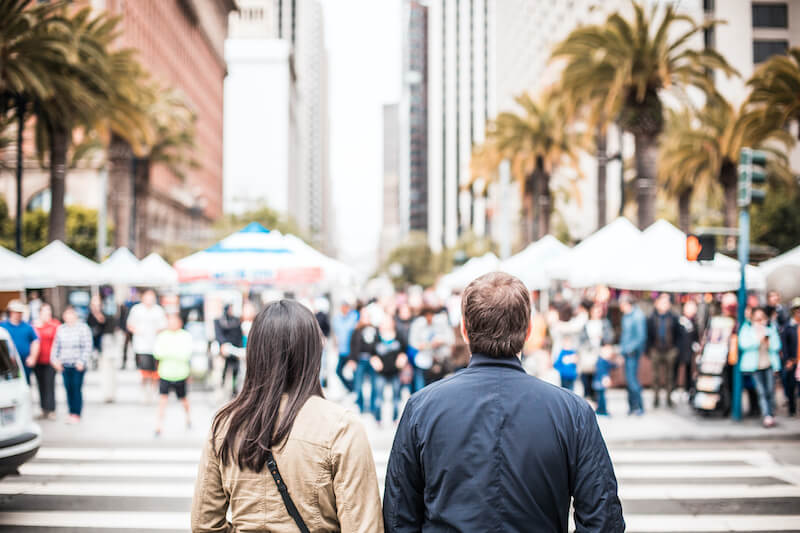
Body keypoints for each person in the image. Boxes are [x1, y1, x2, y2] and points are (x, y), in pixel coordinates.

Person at [383, 272, 624, 531]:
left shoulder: (422, 408)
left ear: (464, 330)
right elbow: (604, 520)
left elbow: (398, 517)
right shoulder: (572, 413)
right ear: (528, 330)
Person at [191, 299, 383, 532]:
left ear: (254, 352)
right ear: (312, 354)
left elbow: (204, 524)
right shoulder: (341, 427)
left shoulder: (226, 423)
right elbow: (362, 526)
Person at [739, 307, 782, 427]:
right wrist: (758, 340)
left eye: (761, 318)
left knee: (770, 390)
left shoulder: (770, 329)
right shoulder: (747, 329)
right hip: (754, 366)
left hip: (769, 365)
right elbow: (743, 344)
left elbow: (777, 346)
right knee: (761, 391)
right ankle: (766, 415)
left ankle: (771, 413)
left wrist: (768, 342)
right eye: (756, 319)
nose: (759, 321)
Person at [51, 306, 93, 424]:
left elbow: (88, 346)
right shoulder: (61, 329)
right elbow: (55, 347)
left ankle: (76, 413)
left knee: (76, 388)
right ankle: (70, 412)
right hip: (65, 364)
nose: (69, 317)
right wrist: (55, 360)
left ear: (75, 315)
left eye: (71, 314)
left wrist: (82, 361)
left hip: (77, 365)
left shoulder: (83, 328)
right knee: (68, 389)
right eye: (67, 314)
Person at [154, 313, 192, 436]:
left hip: (181, 373)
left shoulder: (185, 336)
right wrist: (175, 353)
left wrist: (169, 353)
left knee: (184, 399)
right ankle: (159, 425)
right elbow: (158, 353)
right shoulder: (162, 336)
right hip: (165, 373)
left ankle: (188, 418)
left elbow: (186, 353)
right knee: (162, 400)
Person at [127, 289, 167, 398]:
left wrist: (156, 331)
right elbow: (129, 325)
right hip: (141, 345)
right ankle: (144, 389)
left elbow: (164, 326)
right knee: (144, 370)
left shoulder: (158, 310)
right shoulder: (136, 310)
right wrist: (138, 331)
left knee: (155, 371)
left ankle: (153, 391)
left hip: (156, 345)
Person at [371, 314, 408, 425]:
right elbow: (371, 353)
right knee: (378, 397)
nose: (386, 324)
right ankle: (378, 419)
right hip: (381, 373)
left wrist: (403, 358)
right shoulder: (377, 336)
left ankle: (395, 419)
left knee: (396, 398)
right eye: (384, 321)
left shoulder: (398, 336)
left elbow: (404, 351)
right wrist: (374, 360)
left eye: (388, 321)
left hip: (395, 372)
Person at [647, 293, 681, 408]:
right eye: (661, 302)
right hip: (656, 350)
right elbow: (648, 334)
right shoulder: (652, 318)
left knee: (670, 376)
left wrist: (676, 349)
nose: (663, 305)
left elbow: (678, 334)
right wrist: (649, 349)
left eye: (666, 303)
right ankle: (656, 398)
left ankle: (669, 398)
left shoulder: (674, 318)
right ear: (656, 304)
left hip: (670, 350)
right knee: (655, 376)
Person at [408, 304, 455, 386]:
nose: (429, 318)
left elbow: (451, 339)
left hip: (440, 360)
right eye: (426, 316)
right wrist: (425, 345)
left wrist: (440, 340)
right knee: (422, 386)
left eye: (431, 315)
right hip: (424, 361)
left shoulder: (441, 322)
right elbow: (413, 343)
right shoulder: (417, 324)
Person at [347, 304, 380, 415]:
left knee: (374, 385)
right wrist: (352, 360)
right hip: (360, 360)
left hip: (371, 359)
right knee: (358, 384)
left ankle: (372, 407)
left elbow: (378, 345)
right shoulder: (356, 330)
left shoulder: (375, 330)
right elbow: (352, 346)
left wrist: (377, 357)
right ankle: (360, 405)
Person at [579, 303, 614, 401]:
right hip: (588, 355)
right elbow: (582, 340)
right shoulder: (586, 324)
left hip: (600, 354)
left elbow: (609, 337)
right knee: (587, 378)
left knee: (598, 380)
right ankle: (588, 398)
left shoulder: (605, 323)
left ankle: (597, 402)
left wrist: (602, 338)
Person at [31, 303, 60, 420]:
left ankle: (51, 409)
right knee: (40, 385)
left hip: (50, 361)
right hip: (38, 361)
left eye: (48, 311)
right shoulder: (35, 326)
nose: (47, 313)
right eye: (44, 311)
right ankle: (43, 409)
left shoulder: (55, 325)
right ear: (40, 313)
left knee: (49, 385)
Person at [619, 294, 647, 415]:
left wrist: (630, 349)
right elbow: (625, 335)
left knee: (632, 380)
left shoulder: (638, 316)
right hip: (626, 352)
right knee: (629, 380)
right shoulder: (626, 316)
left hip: (632, 353)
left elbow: (641, 337)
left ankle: (639, 406)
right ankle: (632, 406)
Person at [1, 300, 39, 384]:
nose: (18, 314)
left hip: (24, 363)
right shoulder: (2, 326)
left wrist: (32, 357)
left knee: (25, 384)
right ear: (10, 312)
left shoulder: (28, 326)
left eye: (20, 312)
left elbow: (35, 342)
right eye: (16, 312)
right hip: (8, 364)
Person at [215, 304, 244, 397]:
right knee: (224, 370)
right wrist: (223, 345)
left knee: (235, 370)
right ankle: (222, 387)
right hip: (225, 349)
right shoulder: (219, 321)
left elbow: (239, 335)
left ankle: (234, 390)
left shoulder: (236, 321)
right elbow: (218, 335)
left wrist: (238, 349)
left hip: (235, 350)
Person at [332, 299, 359, 392]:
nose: (344, 309)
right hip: (343, 350)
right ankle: (351, 388)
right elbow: (336, 334)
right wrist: (336, 346)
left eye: (346, 307)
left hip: (353, 351)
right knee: (338, 371)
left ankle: (357, 391)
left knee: (356, 372)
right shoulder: (336, 319)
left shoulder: (354, 316)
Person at [675, 299, 700, 396]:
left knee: (689, 369)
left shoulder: (694, 322)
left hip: (689, 350)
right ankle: (675, 389)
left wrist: (696, 344)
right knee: (676, 368)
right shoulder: (679, 320)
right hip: (679, 349)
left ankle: (687, 389)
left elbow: (696, 336)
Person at [781, 298, 800, 416]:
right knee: (790, 385)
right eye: (797, 310)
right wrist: (788, 360)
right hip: (792, 361)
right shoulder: (788, 327)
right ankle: (792, 408)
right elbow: (784, 345)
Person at [87, 295, 108, 370]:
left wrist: (97, 313)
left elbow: (103, 322)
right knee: (92, 349)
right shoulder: (89, 313)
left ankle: (97, 361)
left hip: (99, 335)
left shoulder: (101, 312)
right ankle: (93, 360)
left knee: (98, 349)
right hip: (91, 334)